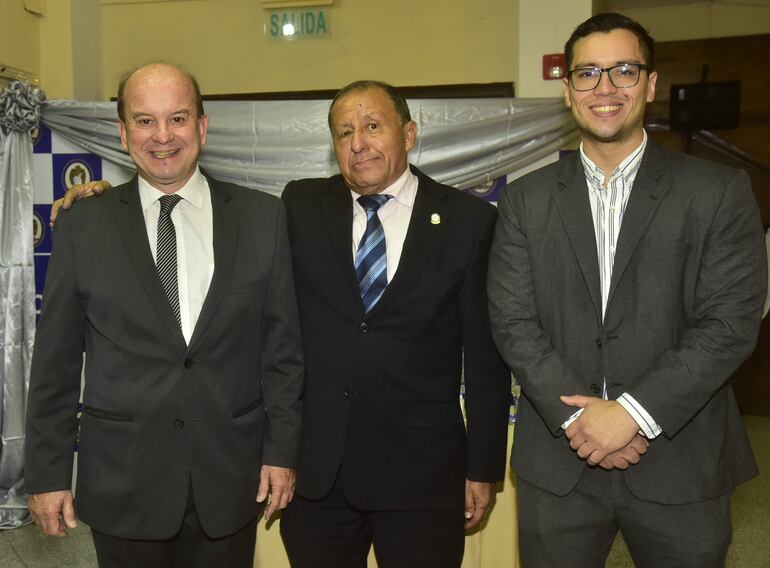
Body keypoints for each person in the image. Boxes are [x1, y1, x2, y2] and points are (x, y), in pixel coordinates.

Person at [487, 12, 766, 568]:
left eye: (623, 70)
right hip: (559, 467)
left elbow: (730, 322)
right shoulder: (525, 199)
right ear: (568, 89)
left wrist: (632, 414)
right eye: (588, 72)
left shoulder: (717, 191)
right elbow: (512, 320)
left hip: (681, 461)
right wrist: (582, 420)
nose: (605, 87)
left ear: (651, 83)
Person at [25, 63, 304, 568]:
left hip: (231, 477)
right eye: (145, 120)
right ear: (123, 132)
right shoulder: (82, 225)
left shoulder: (263, 218)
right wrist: (47, 475)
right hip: (124, 480)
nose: (162, 136)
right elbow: (55, 364)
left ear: (202, 125)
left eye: (177, 118)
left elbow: (282, 352)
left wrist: (281, 452)